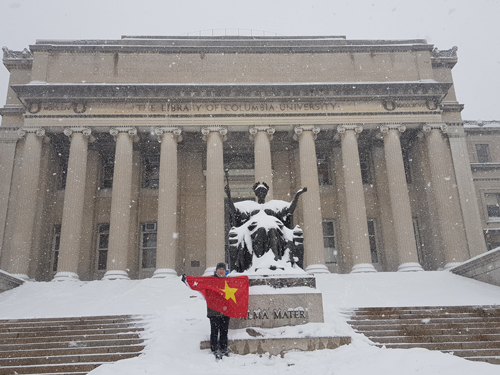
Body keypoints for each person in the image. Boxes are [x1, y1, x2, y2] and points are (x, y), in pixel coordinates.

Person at [208, 262, 230, 357]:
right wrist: (188, 280)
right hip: (214, 311)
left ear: (225, 271)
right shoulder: (211, 280)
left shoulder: (228, 281)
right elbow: (199, 283)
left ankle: (223, 348)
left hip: (225, 311)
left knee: (224, 331)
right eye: (220, 269)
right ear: (216, 270)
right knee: (214, 331)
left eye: (223, 269)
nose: (221, 271)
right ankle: (214, 349)